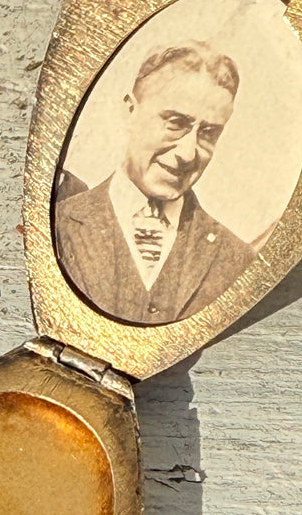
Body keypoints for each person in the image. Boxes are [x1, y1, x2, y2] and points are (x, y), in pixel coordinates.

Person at [54, 42, 254, 325]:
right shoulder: (57, 225)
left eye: (208, 133)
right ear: (130, 112)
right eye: (175, 123)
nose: (188, 152)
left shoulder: (238, 260)